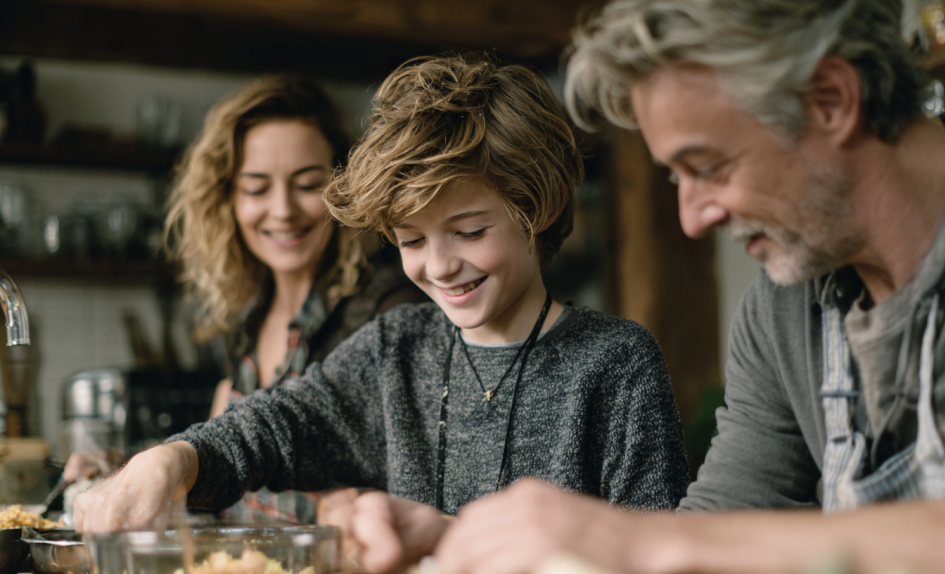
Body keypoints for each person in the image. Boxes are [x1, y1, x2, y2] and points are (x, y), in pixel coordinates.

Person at [385, 1, 945, 573]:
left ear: (831, 101)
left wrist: (637, 542)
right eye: (675, 177)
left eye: (708, 167)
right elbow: (724, 519)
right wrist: (463, 540)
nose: (693, 218)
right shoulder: (783, 306)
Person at [72, 55, 689, 546]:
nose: (440, 266)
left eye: (470, 232)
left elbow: (654, 553)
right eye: (412, 240)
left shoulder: (616, 363)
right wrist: (169, 462)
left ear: (543, 205)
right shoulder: (395, 349)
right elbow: (271, 427)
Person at [63, 75, 425, 524]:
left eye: (307, 183)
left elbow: (414, 491)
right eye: (256, 188)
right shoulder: (248, 318)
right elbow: (224, 449)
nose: (283, 210)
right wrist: (125, 469)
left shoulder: (391, 312)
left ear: (345, 188)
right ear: (228, 200)